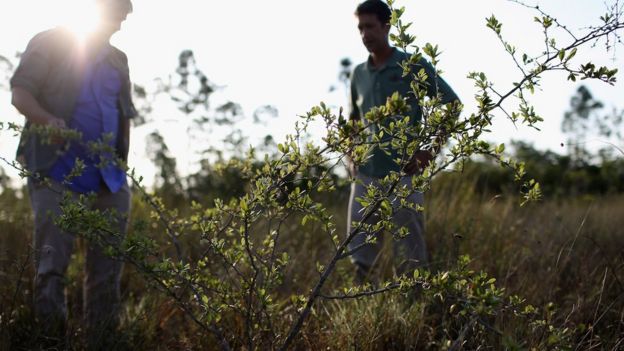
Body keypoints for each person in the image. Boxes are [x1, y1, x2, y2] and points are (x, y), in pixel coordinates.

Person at [10, 0, 136, 345]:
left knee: (107, 271)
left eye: (124, 18)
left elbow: (124, 114)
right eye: (116, 15)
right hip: (57, 172)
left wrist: (121, 164)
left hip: (110, 179)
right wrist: (48, 120)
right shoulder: (51, 42)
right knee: (51, 268)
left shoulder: (118, 60)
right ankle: (52, 341)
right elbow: (20, 93)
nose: (120, 24)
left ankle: (101, 341)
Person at [347, 0, 460, 282]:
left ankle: (414, 315)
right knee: (360, 254)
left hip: (404, 175)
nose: (365, 34)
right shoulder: (358, 74)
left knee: (410, 256)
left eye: (370, 27)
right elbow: (353, 121)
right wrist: (351, 156)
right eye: (360, 28)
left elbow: (452, 105)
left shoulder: (411, 65)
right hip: (366, 177)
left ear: (387, 26)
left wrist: (429, 152)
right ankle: (363, 307)